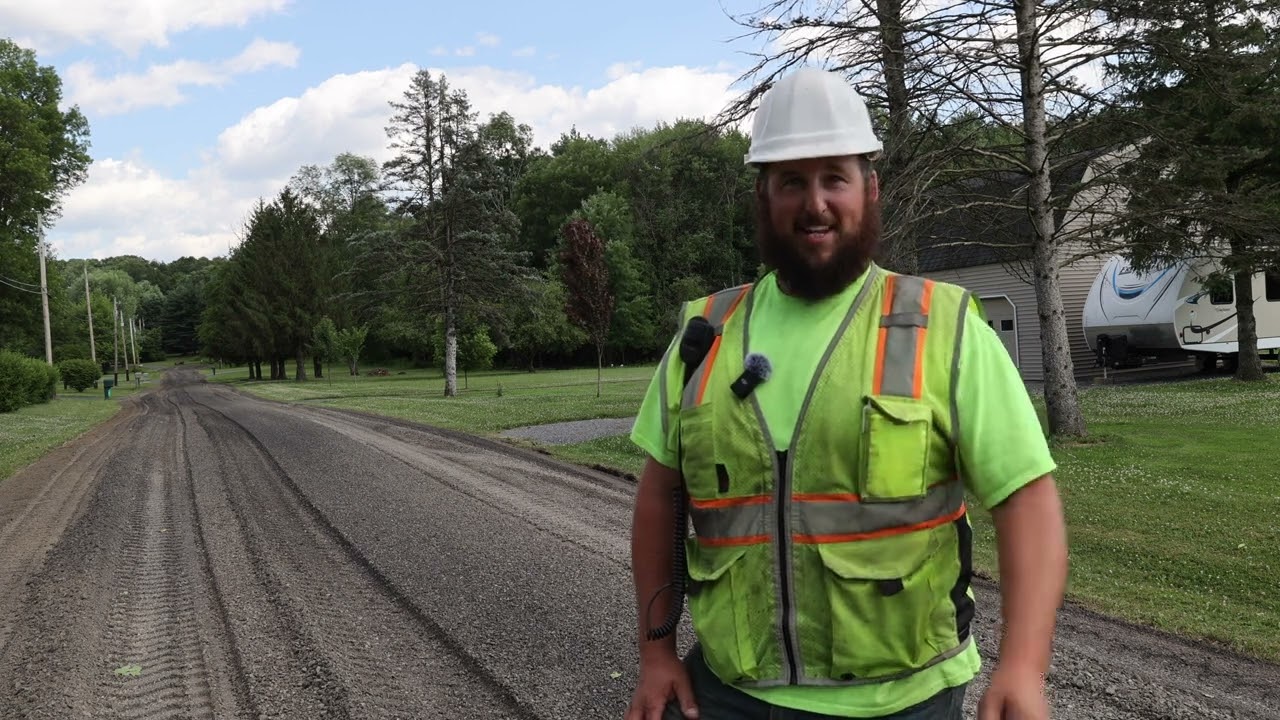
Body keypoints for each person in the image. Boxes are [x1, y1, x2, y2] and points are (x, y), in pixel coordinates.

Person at [625, 67, 1068, 720]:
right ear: (762, 196)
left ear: (870, 188)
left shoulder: (940, 328)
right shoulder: (705, 334)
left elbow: (1025, 498)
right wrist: (656, 653)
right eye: (792, 182)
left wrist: (1025, 667)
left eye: (834, 176)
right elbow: (660, 497)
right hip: (729, 694)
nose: (815, 204)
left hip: (904, 701)